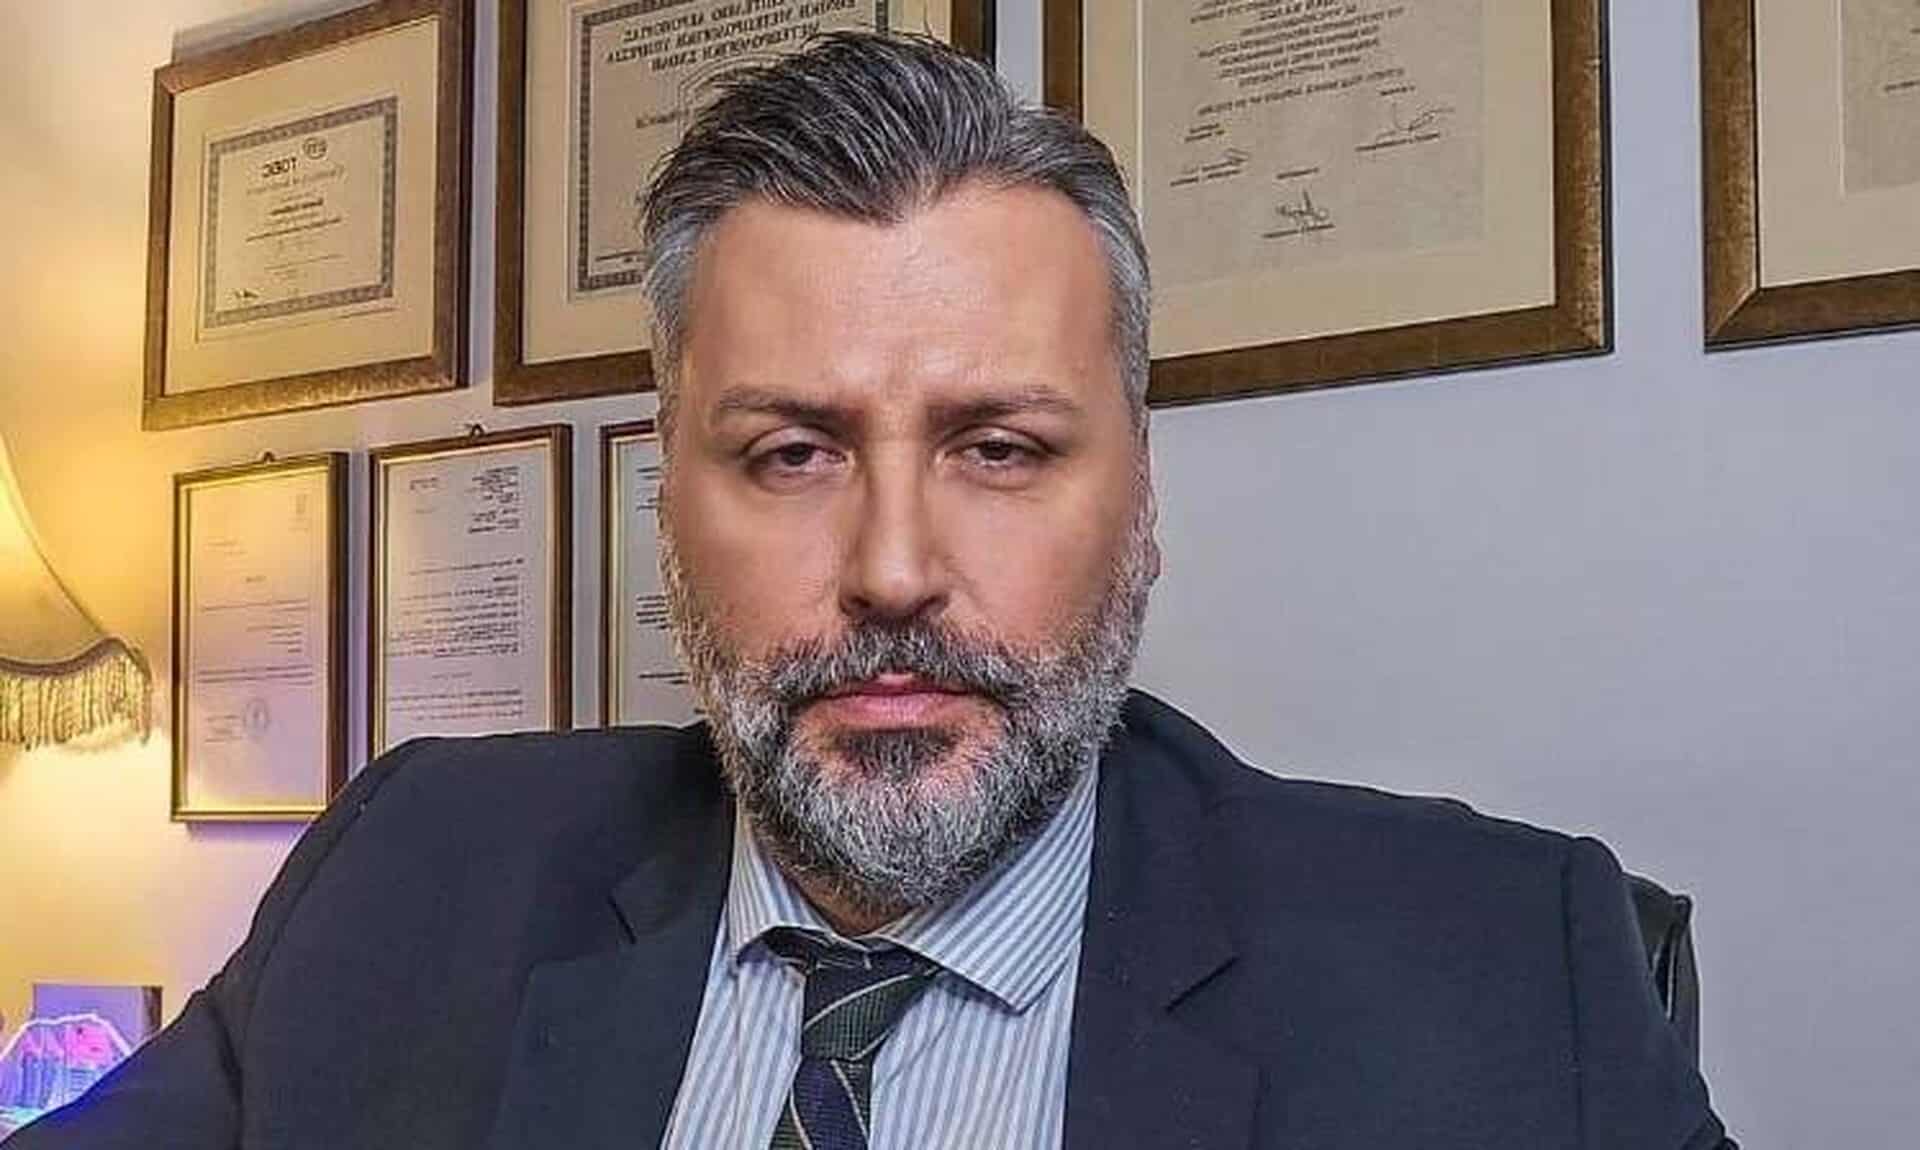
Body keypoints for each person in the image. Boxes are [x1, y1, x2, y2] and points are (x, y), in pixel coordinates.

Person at [5, 33, 1732, 1150]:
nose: (895, 569)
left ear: (1140, 497)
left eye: (999, 447)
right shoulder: (408, 874)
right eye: (790, 453)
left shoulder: (1514, 978)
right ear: (670, 504)